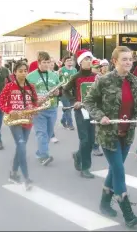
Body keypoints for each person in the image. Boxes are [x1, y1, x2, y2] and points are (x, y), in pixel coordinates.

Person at [83, 46, 137, 228]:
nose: (128, 62)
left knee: (114, 169)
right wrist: (100, 116)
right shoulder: (104, 80)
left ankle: (103, 203)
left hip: (127, 133)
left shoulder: (135, 82)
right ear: (115, 61)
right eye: (124, 59)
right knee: (118, 170)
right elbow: (89, 101)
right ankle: (127, 212)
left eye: (130, 59)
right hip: (109, 134)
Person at [0, 61, 37, 190]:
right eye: (20, 71)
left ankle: (13, 173)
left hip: (27, 120)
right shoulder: (9, 86)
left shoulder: (31, 86)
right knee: (21, 146)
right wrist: (9, 111)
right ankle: (27, 178)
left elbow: (34, 102)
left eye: (25, 71)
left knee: (21, 147)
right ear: (15, 72)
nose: (23, 73)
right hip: (14, 121)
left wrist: (35, 108)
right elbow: (0, 101)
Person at [63, 49, 97, 178]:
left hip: (93, 110)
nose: (89, 61)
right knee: (85, 140)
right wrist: (74, 101)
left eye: (90, 59)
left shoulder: (96, 76)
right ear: (80, 62)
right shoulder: (76, 77)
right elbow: (65, 90)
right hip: (81, 111)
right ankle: (85, 168)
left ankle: (78, 155)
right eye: (86, 59)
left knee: (92, 140)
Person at [27, 51, 61, 166]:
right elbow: (26, 93)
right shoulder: (30, 77)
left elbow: (58, 90)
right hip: (38, 109)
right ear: (38, 62)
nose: (46, 65)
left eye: (48, 62)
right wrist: (35, 98)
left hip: (52, 107)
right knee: (41, 133)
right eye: (44, 62)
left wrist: (57, 92)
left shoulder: (54, 75)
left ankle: (40, 152)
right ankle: (44, 156)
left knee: (49, 132)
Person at [58, 56, 77, 130]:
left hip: (72, 92)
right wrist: (58, 74)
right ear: (64, 62)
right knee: (68, 108)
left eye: (71, 60)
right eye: (68, 61)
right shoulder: (61, 70)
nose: (70, 62)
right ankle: (70, 124)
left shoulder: (75, 70)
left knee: (69, 108)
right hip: (64, 92)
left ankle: (63, 120)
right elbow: (57, 80)